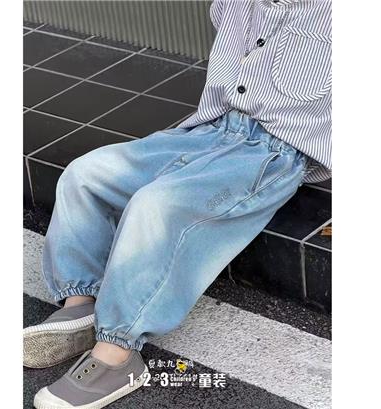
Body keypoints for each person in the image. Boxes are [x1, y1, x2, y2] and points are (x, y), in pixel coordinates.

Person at [24, 0, 331, 407]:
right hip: (207, 132)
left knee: (157, 206)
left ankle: (117, 354)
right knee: (85, 175)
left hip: (269, 156)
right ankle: (82, 303)